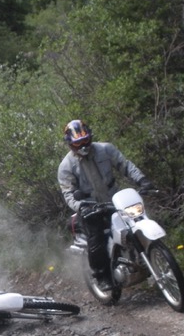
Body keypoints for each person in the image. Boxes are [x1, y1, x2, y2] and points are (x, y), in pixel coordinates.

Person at [57, 119, 154, 291]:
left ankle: (146, 259)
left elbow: (125, 165)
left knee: (136, 221)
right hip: (89, 208)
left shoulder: (105, 149)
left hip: (115, 200)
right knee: (96, 240)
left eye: (85, 140)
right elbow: (68, 194)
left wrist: (142, 180)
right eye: (78, 142)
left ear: (90, 136)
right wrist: (80, 206)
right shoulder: (66, 166)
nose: (83, 145)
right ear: (70, 144)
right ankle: (102, 276)